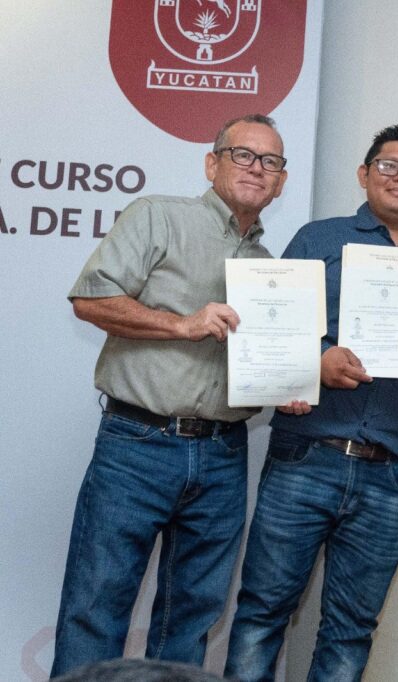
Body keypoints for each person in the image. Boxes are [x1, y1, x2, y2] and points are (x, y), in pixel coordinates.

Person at [225, 124, 398, 682]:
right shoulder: (318, 239)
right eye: (389, 165)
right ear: (364, 174)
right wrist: (318, 361)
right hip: (306, 456)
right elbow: (265, 330)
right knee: (263, 614)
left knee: (351, 629)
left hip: (387, 472)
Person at [52, 114, 289, 676]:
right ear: (212, 163)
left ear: (281, 182)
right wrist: (182, 324)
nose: (257, 168)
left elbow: (259, 364)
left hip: (224, 454)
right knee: (97, 606)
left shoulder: (270, 269)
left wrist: (290, 385)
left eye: (271, 161)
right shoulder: (158, 215)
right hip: (137, 443)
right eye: (243, 154)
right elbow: (91, 299)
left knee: (192, 617)